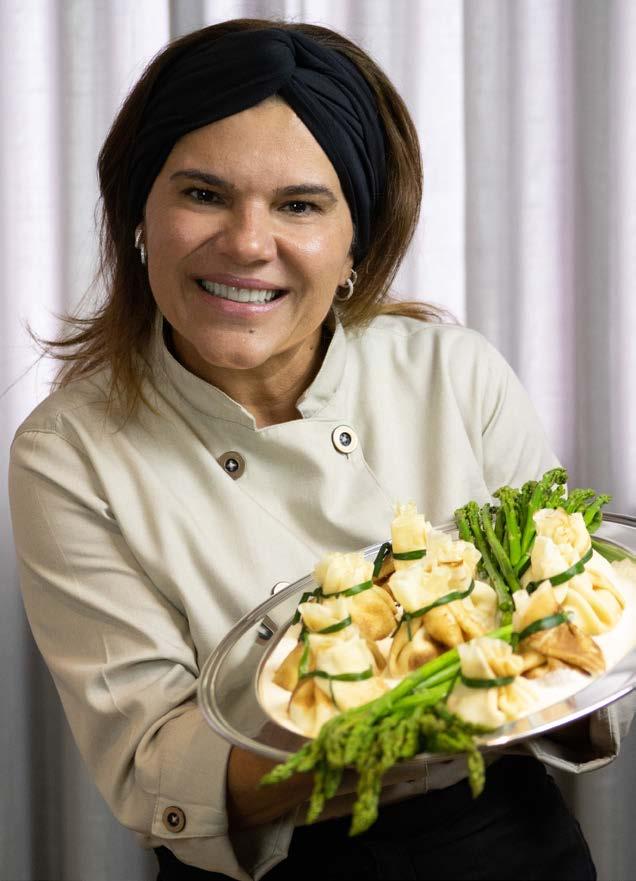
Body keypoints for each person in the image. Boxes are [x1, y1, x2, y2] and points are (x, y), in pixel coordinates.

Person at [8, 19, 630, 881]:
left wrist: (540, 663)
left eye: (299, 205)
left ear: (355, 245)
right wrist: (391, 714)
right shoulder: (69, 452)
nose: (247, 242)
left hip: (501, 838)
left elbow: (581, 628)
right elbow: (156, 764)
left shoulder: (454, 374)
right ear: (137, 215)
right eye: (203, 194)